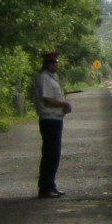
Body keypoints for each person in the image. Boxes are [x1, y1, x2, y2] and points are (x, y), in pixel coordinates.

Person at [32, 50, 73, 199]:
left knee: (54, 154)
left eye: (57, 62)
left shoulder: (52, 78)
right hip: (49, 120)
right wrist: (65, 103)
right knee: (50, 154)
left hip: (55, 119)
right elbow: (47, 99)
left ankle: (50, 185)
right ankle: (45, 187)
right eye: (54, 62)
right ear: (48, 64)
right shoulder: (44, 78)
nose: (57, 64)